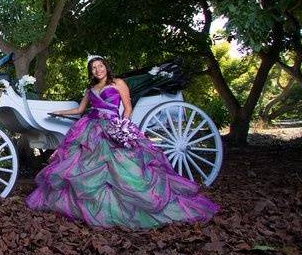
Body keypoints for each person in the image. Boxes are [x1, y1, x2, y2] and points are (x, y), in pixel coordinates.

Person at [26, 56, 218, 229]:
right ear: (91, 72)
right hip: (91, 127)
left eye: (100, 66)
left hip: (114, 125)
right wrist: (60, 113)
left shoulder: (118, 83)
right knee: (81, 164)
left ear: (106, 67)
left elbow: (128, 108)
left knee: (125, 165)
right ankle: (90, 207)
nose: (97, 69)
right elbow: (79, 110)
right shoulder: (90, 90)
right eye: (93, 68)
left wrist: (122, 128)